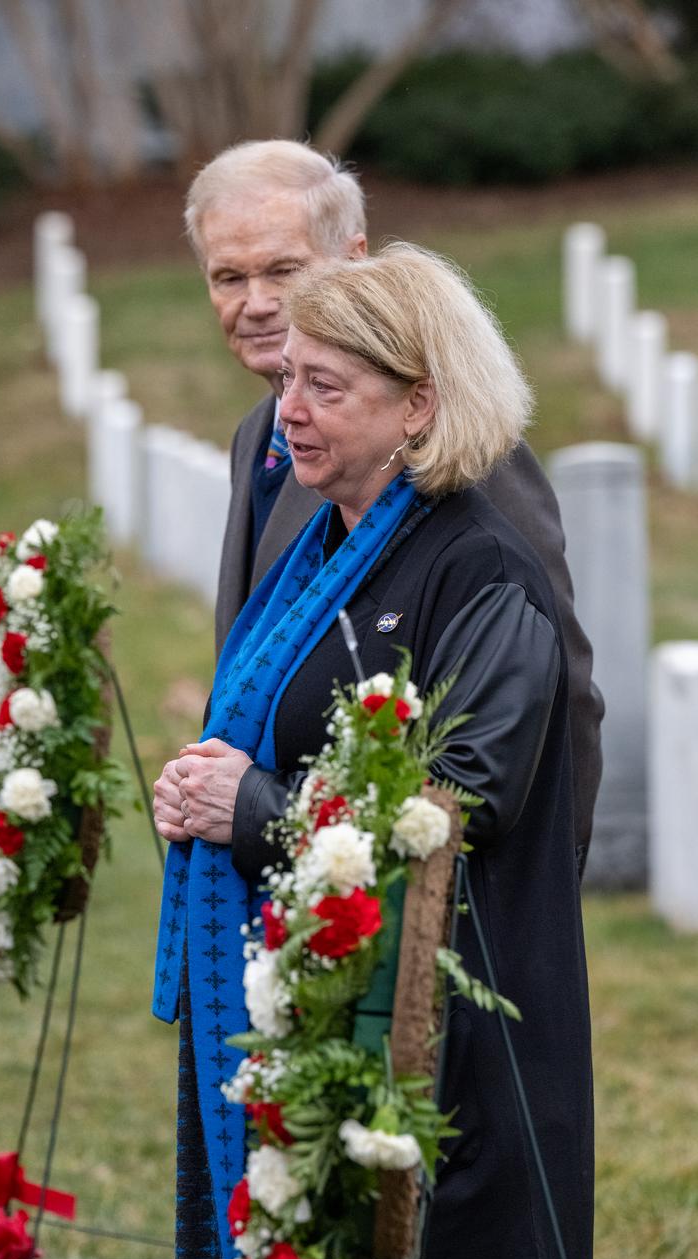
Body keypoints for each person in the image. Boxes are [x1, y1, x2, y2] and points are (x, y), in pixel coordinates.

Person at [152, 244, 594, 1259]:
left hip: (459, 1026)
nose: (288, 408)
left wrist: (253, 804)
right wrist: (201, 783)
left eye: (325, 386)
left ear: (417, 405)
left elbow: (460, 800)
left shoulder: (480, 563)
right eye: (289, 378)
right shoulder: (326, 551)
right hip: (336, 985)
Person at [184, 139, 603, 870]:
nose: (255, 303)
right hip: (296, 865)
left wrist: (548, 873)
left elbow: (549, 677)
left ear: (352, 257)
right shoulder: (259, 436)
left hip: (425, 880)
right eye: (228, 276)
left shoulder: (456, 449)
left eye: (282, 269)